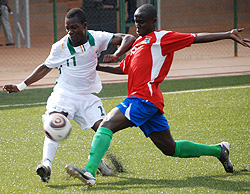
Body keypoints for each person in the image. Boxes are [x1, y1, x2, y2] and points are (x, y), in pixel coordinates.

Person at [64, 4, 250, 187]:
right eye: (136, 22)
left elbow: (195, 37)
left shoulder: (162, 37)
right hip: (148, 101)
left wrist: (227, 34)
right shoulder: (137, 43)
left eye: (142, 22)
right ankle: (220, 150)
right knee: (170, 148)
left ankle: (89, 172)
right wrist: (97, 66)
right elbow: (124, 68)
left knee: (106, 124)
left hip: (143, 97)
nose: (138, 26)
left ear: (153, 21)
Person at [3, 8, 135, 183]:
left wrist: (117, 54)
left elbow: (129, 38)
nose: (70, 32)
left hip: (88, 96)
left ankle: (96, 163)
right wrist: (21, 86)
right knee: (54, 124)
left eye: (74, 27)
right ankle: (46, 166)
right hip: (64, 94)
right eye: (67, 28)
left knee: (104, 128)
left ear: (84, 26)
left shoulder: (97, 37)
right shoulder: (61, 47)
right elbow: (45, 67)